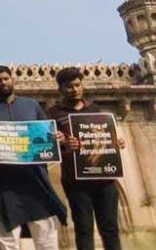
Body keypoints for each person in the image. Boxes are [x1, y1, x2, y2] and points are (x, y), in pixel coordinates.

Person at [0, 65, 67, 250]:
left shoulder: (31, 105)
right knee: (7, 241)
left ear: (12, 79)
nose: (2, 83)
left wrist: (56, 137)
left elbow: (46, 137)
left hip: (36, 181)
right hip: (3, 185)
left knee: (46, 238)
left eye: (5, 78)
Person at [47, 67, 124, 250]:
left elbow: (103, 138)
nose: (74, 89)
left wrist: (115, 142)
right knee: (84, 228)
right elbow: (48, 147)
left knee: (110, 229)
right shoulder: (54, 114)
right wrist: (64, 144)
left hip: (104, 178)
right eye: (69, 86)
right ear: (61, 89)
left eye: (77, 85)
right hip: (76, 181)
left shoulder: (95, 110)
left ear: (82, 85)